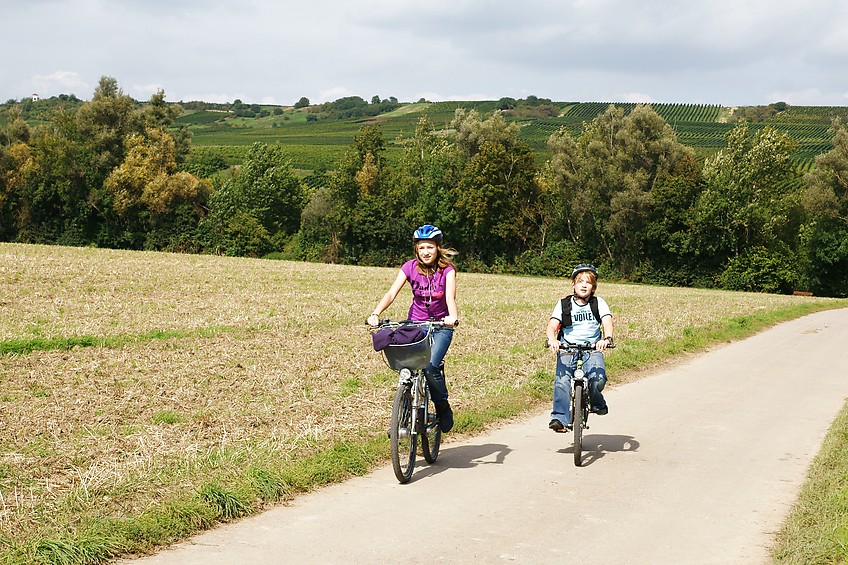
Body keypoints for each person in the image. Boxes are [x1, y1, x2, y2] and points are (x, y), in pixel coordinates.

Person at [367, 225, 459, 432]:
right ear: (416, 250)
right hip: (415, 323)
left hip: (440, 326)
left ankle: (443, 407)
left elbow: (449, 297)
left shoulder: (448, 270)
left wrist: (451, 317)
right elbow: (391, 293)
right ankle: (404, 412)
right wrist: (376, 313)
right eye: (421, 247)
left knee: (430, 366)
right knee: (406, 366)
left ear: (438, 248)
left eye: (430, 247)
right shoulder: (409, 267)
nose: (426, 252)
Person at [545, 263, 614, 432]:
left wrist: (607, 338)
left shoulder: (599, 303)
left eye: (588, 282)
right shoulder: (564, 304)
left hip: (592, 348)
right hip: (568, 347)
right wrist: (552, 339)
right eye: (580, 281)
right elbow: (552, 325)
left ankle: (596, 402)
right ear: (574, 284)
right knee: (561, 382)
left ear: (593, 286)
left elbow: (607, 322)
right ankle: (559, 419)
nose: (584, 285)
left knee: (597, 380)